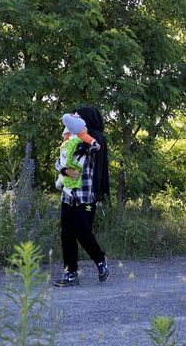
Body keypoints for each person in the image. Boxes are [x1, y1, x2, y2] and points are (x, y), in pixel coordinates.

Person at [54, 106, 110, 287]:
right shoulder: (69, 138)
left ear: (87, 120)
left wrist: (81, 138)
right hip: (68, 194)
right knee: (66, 234)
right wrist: (64, 170)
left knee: (82, 231)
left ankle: (100, 259)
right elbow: (60, 161)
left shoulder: (95, 139)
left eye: (78, 118)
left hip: (86, 194)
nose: (74, 121)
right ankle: (70, 273)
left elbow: (87, 147)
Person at [55, 113, 99, 196]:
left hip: (83, 194)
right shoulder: (79, 131)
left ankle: (62, 181)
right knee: (75, 166)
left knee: (68, 164)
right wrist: (65, 171)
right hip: (73, 154)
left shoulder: (71, 133)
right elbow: (58, 162)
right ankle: (64, 182)